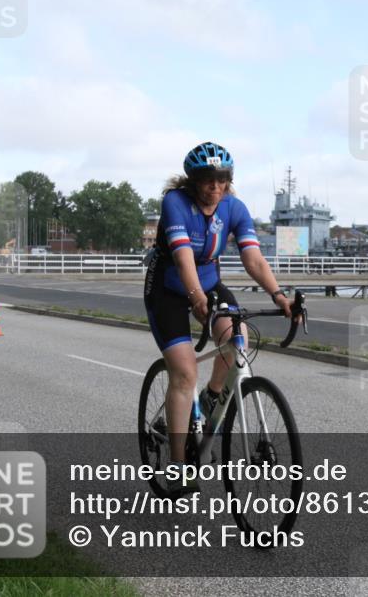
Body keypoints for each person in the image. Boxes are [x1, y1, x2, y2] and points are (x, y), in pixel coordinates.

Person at [144, 141, 293, 494]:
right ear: (193, 181)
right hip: (168, 289)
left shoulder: (234, 208)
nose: (215, 186)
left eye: (222, 179)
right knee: (184, 373)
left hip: (209, 285)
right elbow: (182, 258)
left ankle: (212, 396)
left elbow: (254, 260)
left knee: (236, 341)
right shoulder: (175, 203)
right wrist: (195, 297)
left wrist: (279, 295)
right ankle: (179, 467)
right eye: (208, 179)